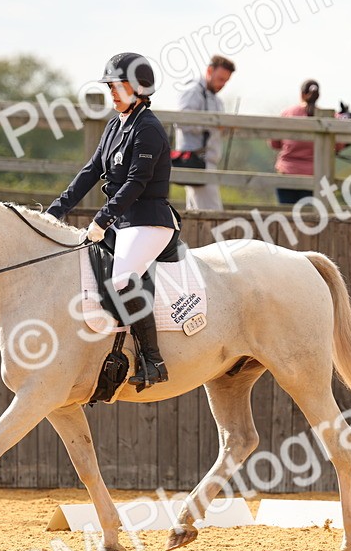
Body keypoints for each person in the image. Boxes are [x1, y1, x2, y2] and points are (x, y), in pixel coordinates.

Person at [45, 52, 176, 390]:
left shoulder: (149, 129)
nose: (112, 93)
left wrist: (102, 219)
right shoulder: (115, 125)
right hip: (123, 221)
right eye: (110, 87)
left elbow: (137, 182)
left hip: (148, 221)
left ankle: (153, 360)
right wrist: (53, 213)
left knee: (121, 278)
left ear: (140, 87)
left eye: (118, 87)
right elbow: (89, 172)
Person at [172, 55, 235, 211]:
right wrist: (213, 125)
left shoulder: (215, 98)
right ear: (209, 71)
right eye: (220, 79)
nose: (223, 84)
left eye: (226, 81)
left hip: (206, 161)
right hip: (196, 161)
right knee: (212, 213)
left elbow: (217, 129)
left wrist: (225, 127)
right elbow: (182, 121)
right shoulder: (193, 91)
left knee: (196, 214)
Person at [268, 79, 342, 204]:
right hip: (317, 175)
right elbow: (338, 145)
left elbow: (274, 143)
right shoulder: (331, 117)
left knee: (287, 216)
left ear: (301, 94)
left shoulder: (288, 113)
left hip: (287, 172)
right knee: (312, 219)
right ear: (318, 95)